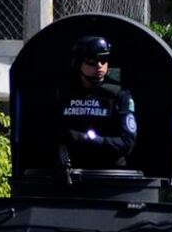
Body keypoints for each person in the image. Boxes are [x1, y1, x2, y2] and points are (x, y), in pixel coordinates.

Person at [58, 36, 137, 176]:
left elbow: (127, 142)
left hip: (110, 176)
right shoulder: (64, 94)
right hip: (72, 174)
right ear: (78, 63)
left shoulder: (119, 94)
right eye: (92, 61)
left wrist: (88, 140)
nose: (99, 65)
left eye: (103, 60)